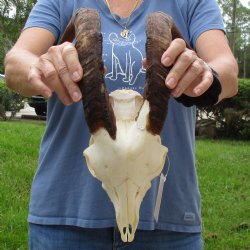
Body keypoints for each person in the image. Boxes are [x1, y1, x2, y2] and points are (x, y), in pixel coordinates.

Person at [4, 0, 238, 249]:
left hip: (169, 223)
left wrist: (205, 76)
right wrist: (40, 67)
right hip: (65, 219)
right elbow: (15, 63)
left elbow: (227, 71)